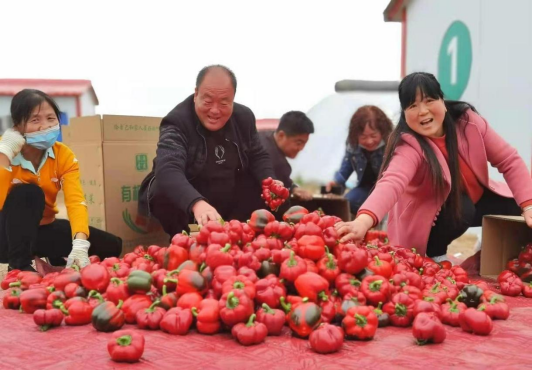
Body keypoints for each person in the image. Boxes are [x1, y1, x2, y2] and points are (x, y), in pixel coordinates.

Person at [336, 72, 532, 263]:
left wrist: (528, 205)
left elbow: (509, 160)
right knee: (462, 207)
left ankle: (491, 243)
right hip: (433, 219)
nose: (422, 111)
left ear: (442, 101)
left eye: (429, 100)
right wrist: (363, 221)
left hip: (474, 200)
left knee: (519, 202)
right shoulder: (408, 145)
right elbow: (392, 182)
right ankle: (435, 255)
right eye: (413, 105)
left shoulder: (468, 122)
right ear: (405, 114)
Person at [139, 65, 279, 236]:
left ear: (233, 98)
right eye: (207, 101)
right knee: (161, 188)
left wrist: (270, 181)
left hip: (228, 192)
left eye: (224, 103)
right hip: (190, 196)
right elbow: (168, 169)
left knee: (263, 185)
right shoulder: (177, 121)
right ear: (196, 94)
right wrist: (196, 203)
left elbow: (258, 155)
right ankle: (184, 240)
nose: (214, 110)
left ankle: (238, 235)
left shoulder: (244, 117)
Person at [0, 90, 122, 271]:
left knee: (112, 246)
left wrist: (80, 243)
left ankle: (49, 257)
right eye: (35, 120)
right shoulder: (4, 150)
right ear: (18, 126)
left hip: (41, 230)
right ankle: (19, 266)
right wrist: (4, 156)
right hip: (6, 236)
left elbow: (75, 201)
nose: (45, 126)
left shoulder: (63, 154)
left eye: (51, 118)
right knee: (29, 193)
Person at [326, 106, 393, 214]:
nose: (369, 141)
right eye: (363, 137)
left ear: (383, 132)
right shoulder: (353, 145)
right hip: (366, 187)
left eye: (373, 135)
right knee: (348, 203)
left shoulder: (393, 144)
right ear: (355, 135)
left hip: (390, 187)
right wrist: (336, 182)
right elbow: (346, 167)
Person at [258, 111, 315, 203]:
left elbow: (284, 181)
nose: (301, 148)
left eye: (304, 143)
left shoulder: (265, 137)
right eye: (299, 143)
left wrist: (293, 188)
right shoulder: (266, 154)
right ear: (281, 135)